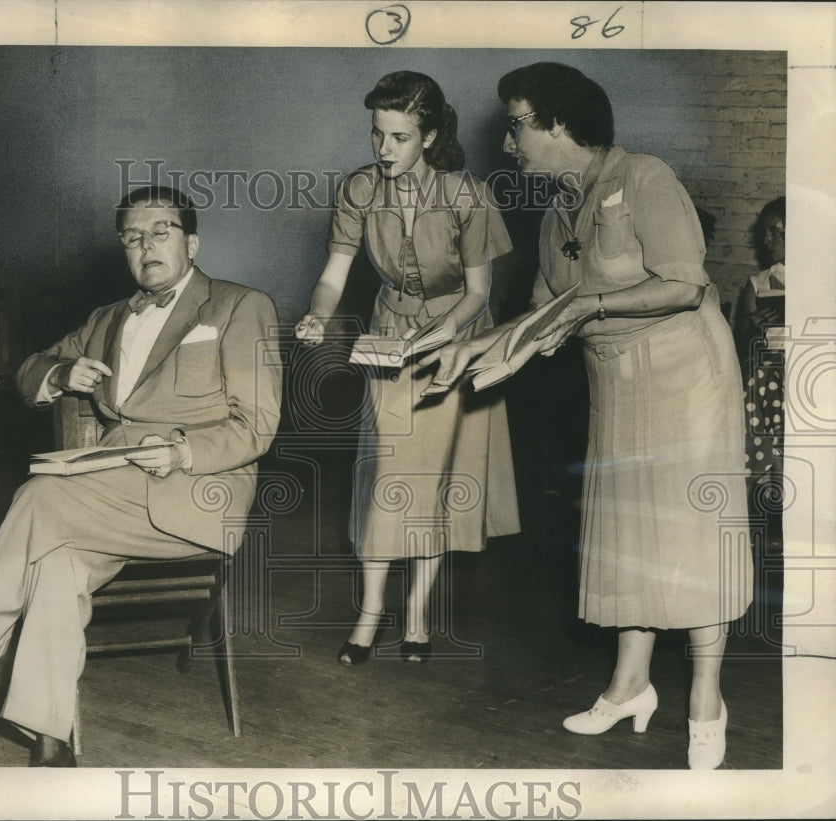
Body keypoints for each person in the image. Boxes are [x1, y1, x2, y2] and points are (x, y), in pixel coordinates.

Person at [0, 186, 283, 766]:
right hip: (105, 494)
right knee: (54, 562)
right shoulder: (107, 320)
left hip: (195, 493)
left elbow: (258, 426)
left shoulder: (240, 306)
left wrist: (178, 451)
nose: (146, 245)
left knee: (41, 497)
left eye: (161, 231)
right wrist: (62, 372)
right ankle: (51, 742)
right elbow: (28, 371)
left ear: (192, 242)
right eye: (132, 236)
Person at [423, 63, 751, 769]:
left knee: (689, 534)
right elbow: (542, 315)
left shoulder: (646, 178)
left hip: (687, 378)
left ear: (560, 124)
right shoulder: (555, 212)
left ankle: (706, 695)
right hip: (617, 383)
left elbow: (686, 284)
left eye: (517, 124)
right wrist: (464, 347)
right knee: (628, 531)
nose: (508, 143)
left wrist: (587, 304)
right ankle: (631, 685)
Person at [296, 70, 519, 665]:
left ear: (430, 136)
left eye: (399, 137)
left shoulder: (466, 195)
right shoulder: (359, 190)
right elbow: (333, 275)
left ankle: (418, 614)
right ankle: (370, 612)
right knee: (383, 482)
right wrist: (318, 315)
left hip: (453, 341)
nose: (384, 149)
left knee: (433, 486)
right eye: (377, 135)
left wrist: (441, 338)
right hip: (389, 333)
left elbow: (477, 293)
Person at [732, 197, 785, 496]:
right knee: (763, 377)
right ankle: (775, 483)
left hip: (813, 365)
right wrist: (752, 327)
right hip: (770, 373)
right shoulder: (759, 283)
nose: (765, 240)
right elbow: (741, 347)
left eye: (773, 232)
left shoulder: (823, 278)